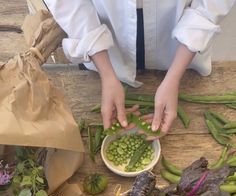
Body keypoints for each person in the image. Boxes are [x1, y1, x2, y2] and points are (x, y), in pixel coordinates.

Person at [44, 0, 235, 134]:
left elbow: (212, 3)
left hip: (178, 36)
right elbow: (68, 3)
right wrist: (107, 74)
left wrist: (174, 77)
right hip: (104, 35)